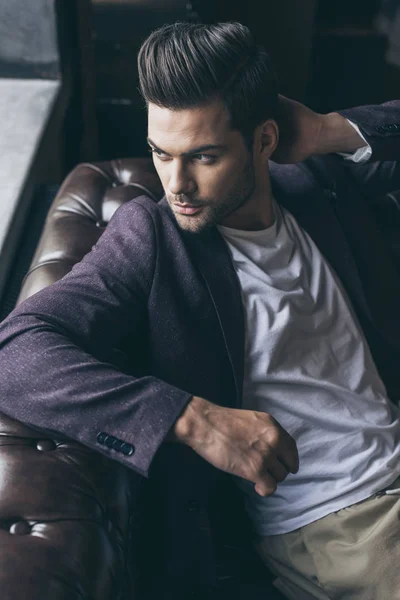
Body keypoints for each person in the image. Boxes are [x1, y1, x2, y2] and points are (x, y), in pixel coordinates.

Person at [0, 20, 400, 600]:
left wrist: (326, 130)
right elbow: (16, 350)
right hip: (343, 523)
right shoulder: (153, 237)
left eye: (204, 156)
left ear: (265, 140)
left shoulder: (315, 181)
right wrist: (193, 419)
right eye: (161, 154)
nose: (176, 184)